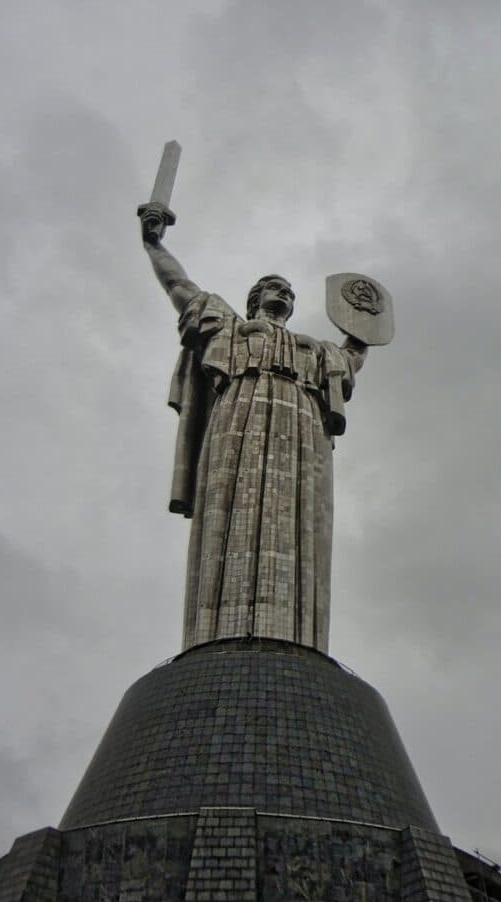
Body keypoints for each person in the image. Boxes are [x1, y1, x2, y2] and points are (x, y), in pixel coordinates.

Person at [141, 202, 366, 653]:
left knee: (299, 515)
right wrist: (154, 243)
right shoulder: (229, 326)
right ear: (255, 298)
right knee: (231, 503)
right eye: (273, 287)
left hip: (301, 424)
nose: (283, 293)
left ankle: (295, 634)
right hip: (239, 413)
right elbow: (180, 287)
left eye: (288, 291)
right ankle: (219, 631)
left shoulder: (315, 349)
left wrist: (364, 324)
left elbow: (353, 356)